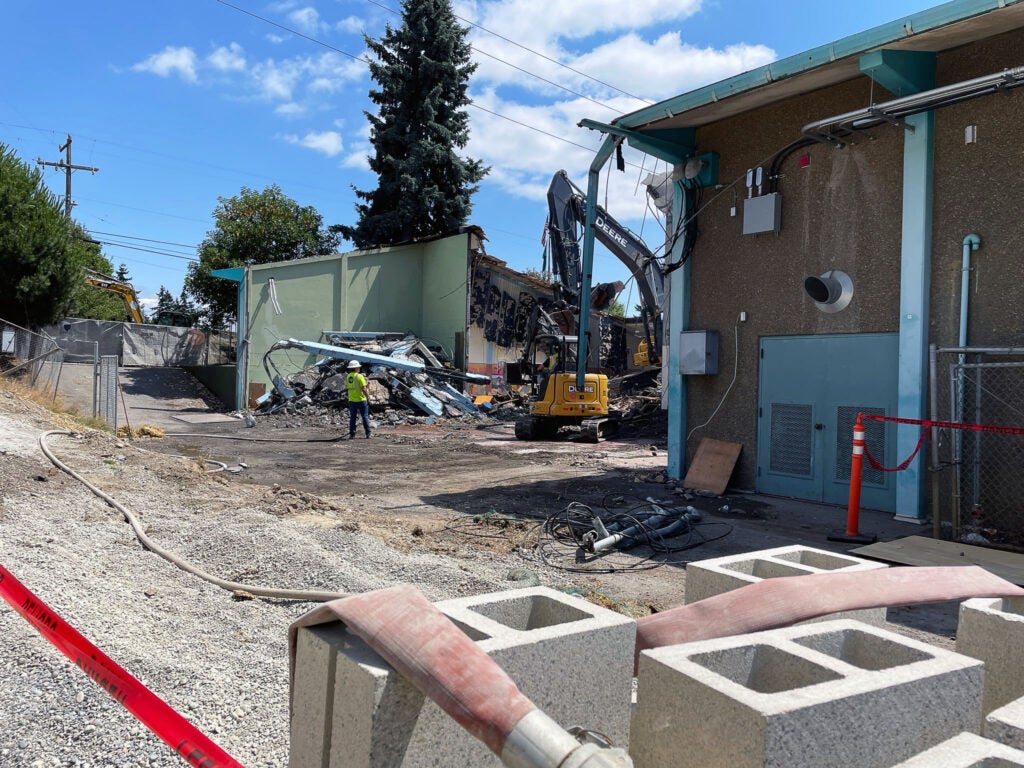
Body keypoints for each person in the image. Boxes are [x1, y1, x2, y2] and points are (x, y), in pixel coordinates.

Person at [345, 360, 372, 438]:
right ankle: (368, 433)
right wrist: (368, 397)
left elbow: (353, 387)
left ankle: (352, 434)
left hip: (351, 400)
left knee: (353, 417)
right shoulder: (360, 376)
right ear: (356, 368)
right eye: (358, 367)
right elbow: (363, 389)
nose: (359, 368)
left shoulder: (348, 376)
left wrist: (365, 386)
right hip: (361, 400)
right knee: (365, 416)